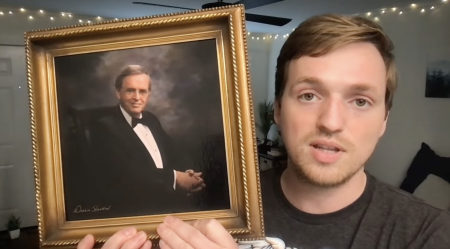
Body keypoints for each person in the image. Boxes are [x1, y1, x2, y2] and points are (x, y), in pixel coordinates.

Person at [77, 13, 450, 249]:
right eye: (308, 94)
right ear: (279, 109)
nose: (331, 122)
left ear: (385, 118)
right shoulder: (216, 206)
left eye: (360, 101)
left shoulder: (428, 234)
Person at [82, 65, 205, 218]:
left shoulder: (151, 119)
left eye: (142, 91)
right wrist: (176, 179)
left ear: (149, 94)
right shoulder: (105, 127)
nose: (137, 97)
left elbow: (174, 153)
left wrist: (188, 174)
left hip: (169, 202)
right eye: (130, 90)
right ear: (118, 92)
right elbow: (129, 175)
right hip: (135, 209)